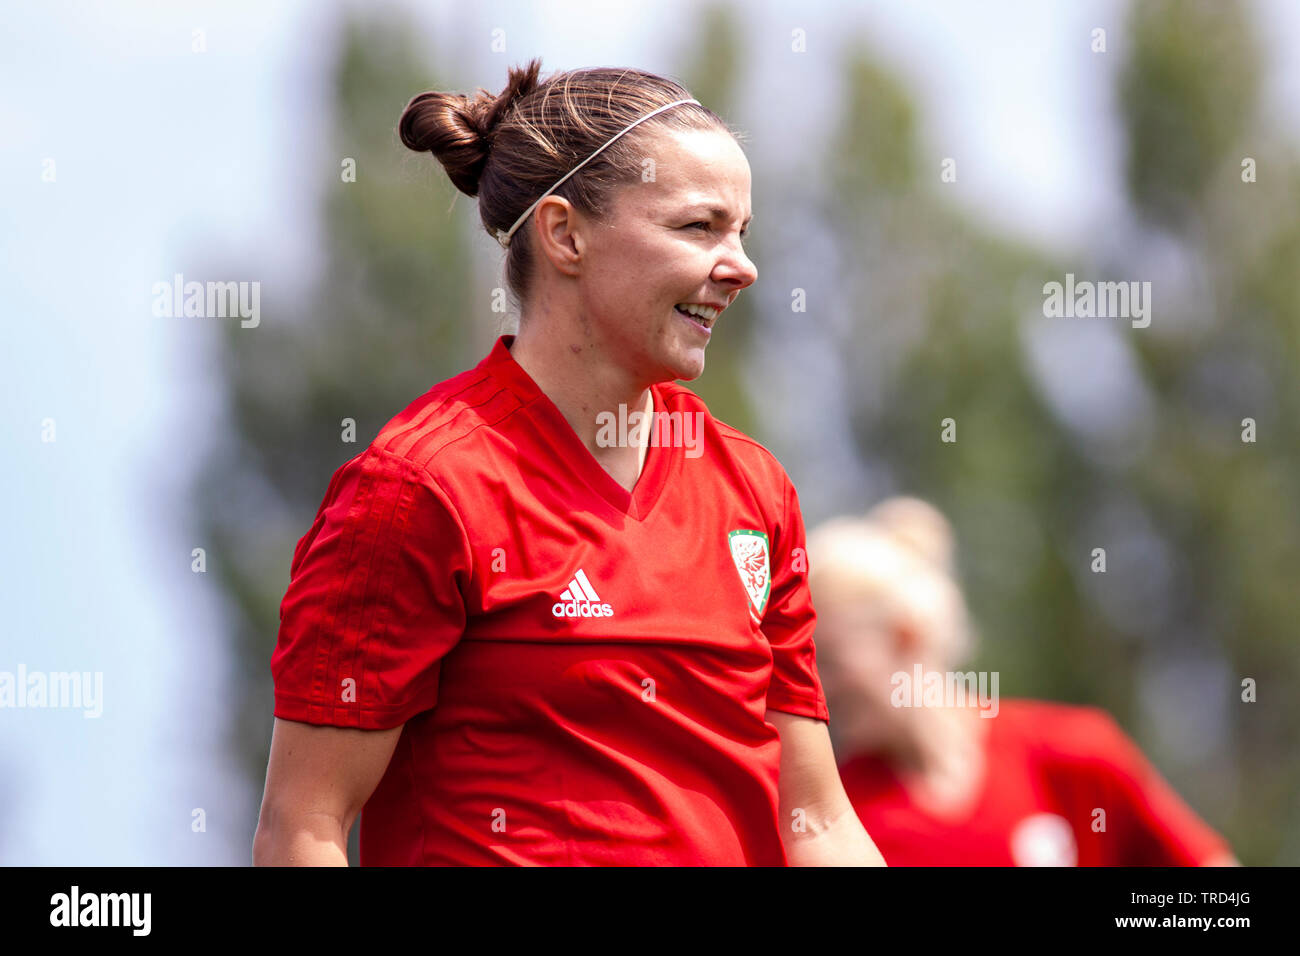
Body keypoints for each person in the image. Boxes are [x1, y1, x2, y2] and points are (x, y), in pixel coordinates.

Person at [252, 59, 886, 866]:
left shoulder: (754, 489)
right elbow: (302, 829)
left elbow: (820, 824)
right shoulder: (419, 490)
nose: (741, 266)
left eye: (743, 233)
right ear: (564, 235)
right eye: (699, 227)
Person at [805, 496, 1239, 866]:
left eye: (831, 661)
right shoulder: (839, 820)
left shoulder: (1075, 753)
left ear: (905, 637)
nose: (819, 689)